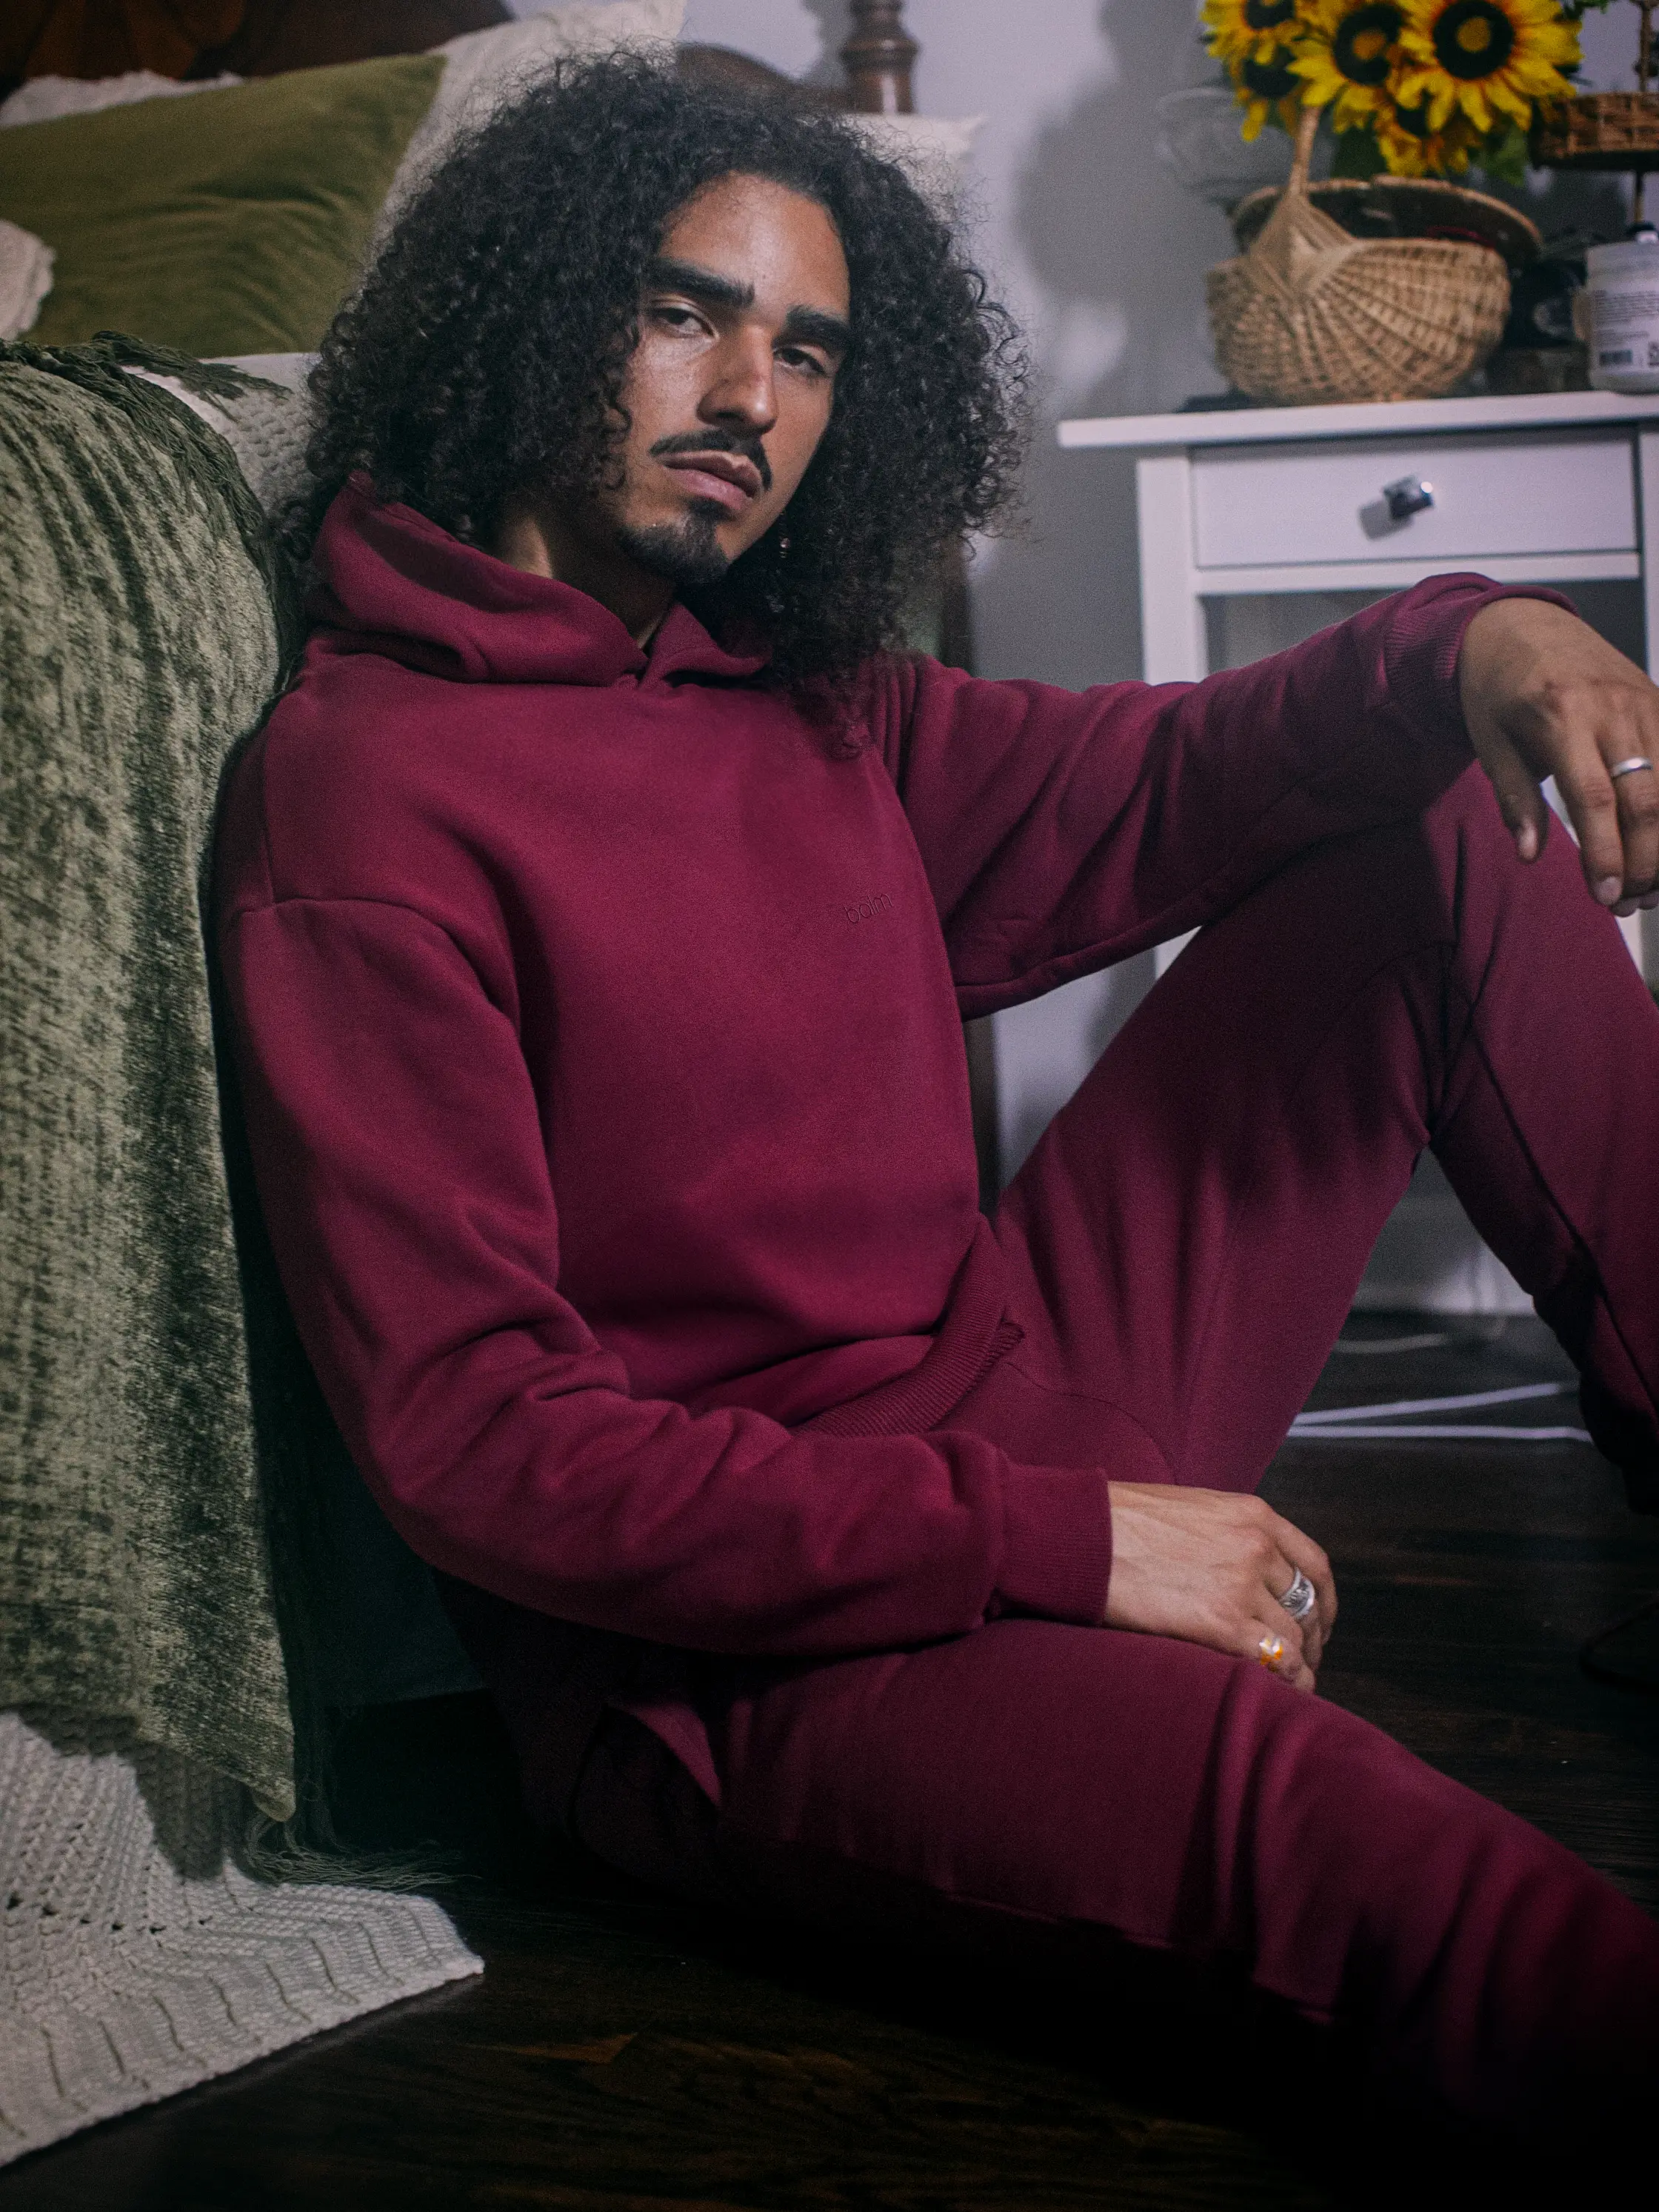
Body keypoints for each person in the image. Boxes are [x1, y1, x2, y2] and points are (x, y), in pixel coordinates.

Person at [216, 55, 1659, 2162]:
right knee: (1402, 1876)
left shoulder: (809, 700)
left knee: (1438, 831)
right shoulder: (361, 798)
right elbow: (485, 1452)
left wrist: (1475, 637)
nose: (752, 398)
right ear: (532, 313)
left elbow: (1181, 776)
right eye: (685, 310)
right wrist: (1073, 1547)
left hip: (1012, 1404)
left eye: (808, 347)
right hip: (729, 1667)